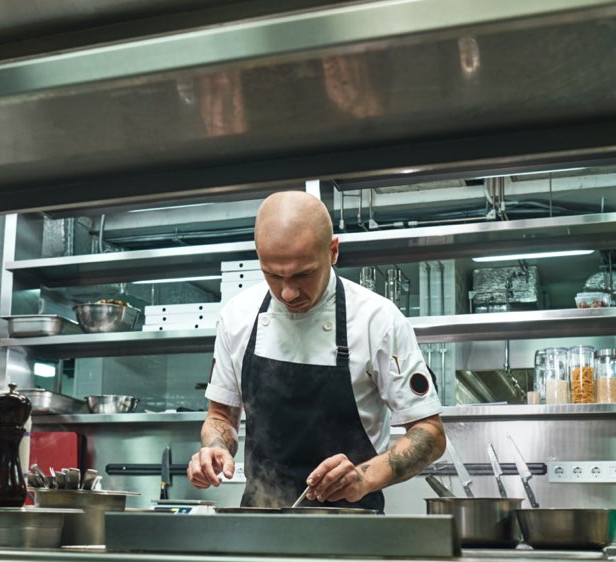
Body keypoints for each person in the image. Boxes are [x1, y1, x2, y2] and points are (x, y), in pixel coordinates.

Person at [187, 190, 445, 511]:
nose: (288, 292)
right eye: (272, 274)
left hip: (351, 523)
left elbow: (429, 433)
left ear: (333, 251)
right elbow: (220, 415)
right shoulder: (238, 316)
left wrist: (364, 477)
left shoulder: (378, 320)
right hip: (259, 518)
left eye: (303, 274)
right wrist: (214, 447)